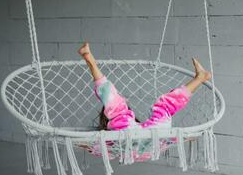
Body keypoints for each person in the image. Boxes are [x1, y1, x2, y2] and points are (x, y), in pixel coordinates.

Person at [78, 42, 212, 131]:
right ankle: (90, 60)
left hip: (144, 139)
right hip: (155, 134)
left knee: (117, 106)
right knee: (164, 106)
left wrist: (87, 146)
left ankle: (90, 60)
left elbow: (97, 148)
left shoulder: (113, 135)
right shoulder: (122, 122)